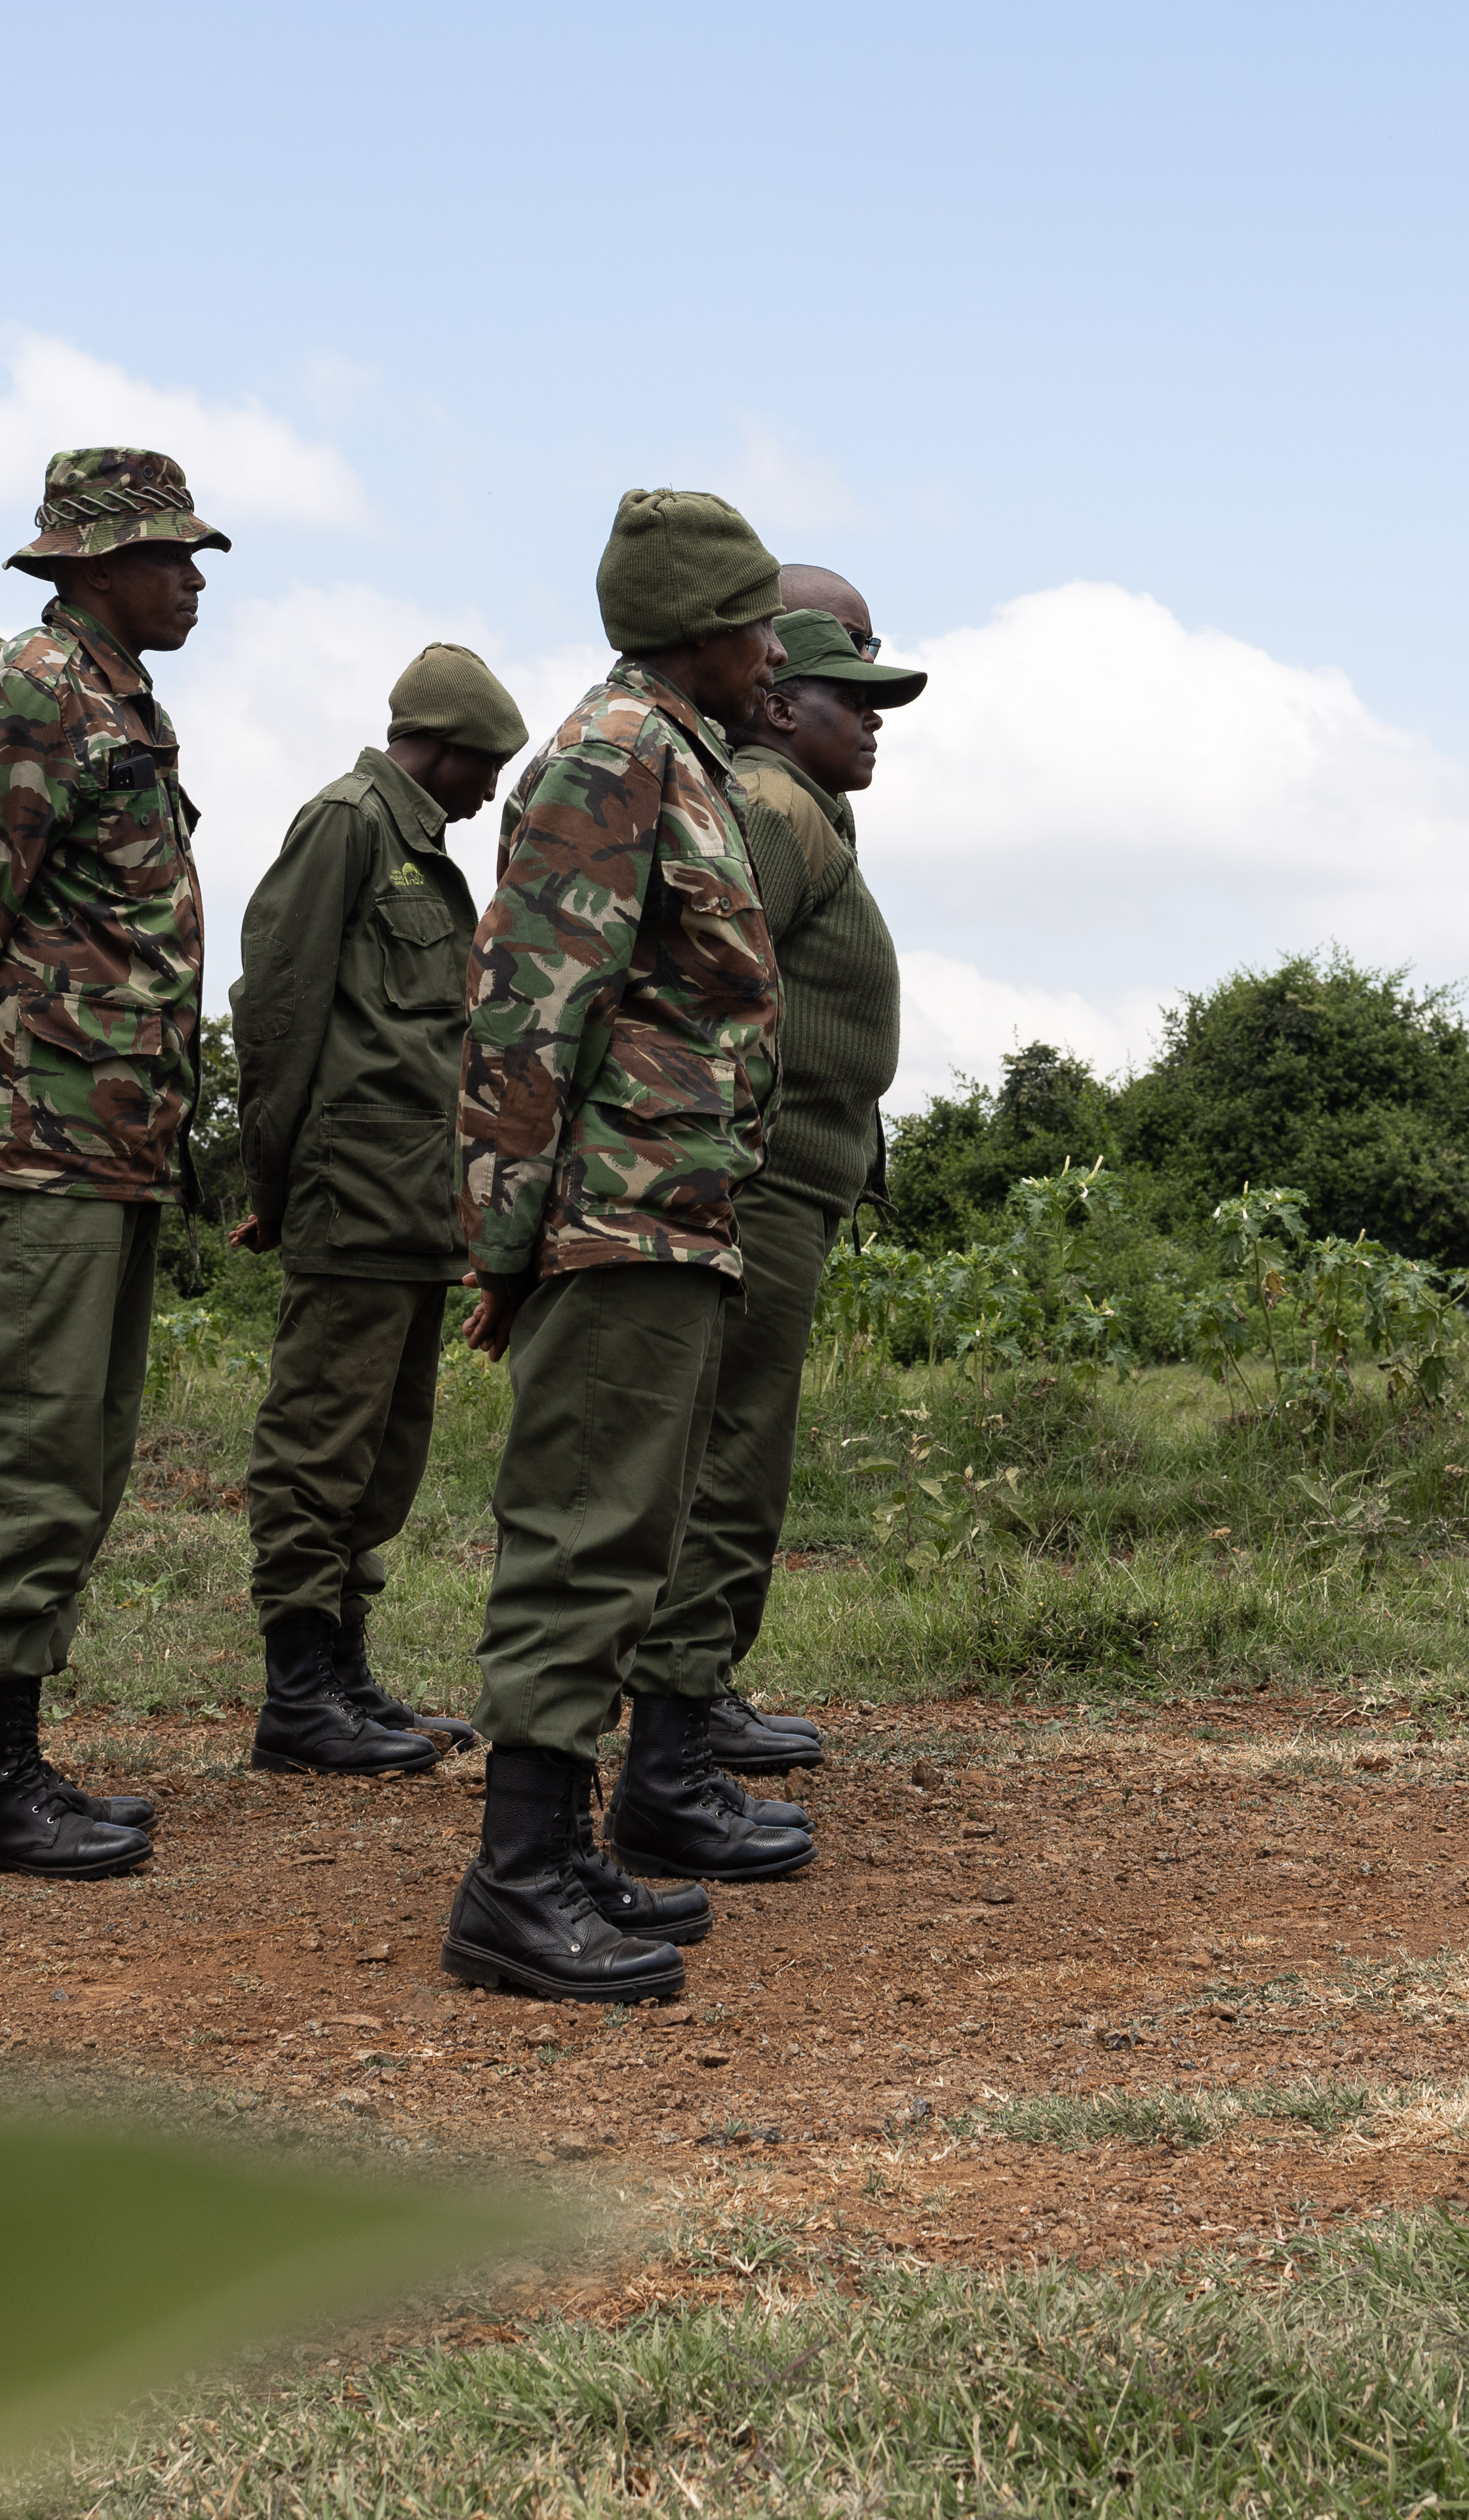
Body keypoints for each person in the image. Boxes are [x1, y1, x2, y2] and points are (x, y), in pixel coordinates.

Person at [439, 488, 799, 2006]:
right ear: (707, 629)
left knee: (628, 1535)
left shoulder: (678, 756)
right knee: (582, 1536)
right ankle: (512, 1882)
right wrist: (508, 1244)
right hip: (613, 1212)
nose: (777, 646)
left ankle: (563, 1846)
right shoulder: (612, 756)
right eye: (762, 619)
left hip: (670, 1210)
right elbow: (531, 1009)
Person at [0, 447, 218, 1881]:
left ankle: (12, 1752)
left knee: (77, 1449)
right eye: (173, 556)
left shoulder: (117, 696)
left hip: (103, 1145)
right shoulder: (32, 687)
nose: (194, 580)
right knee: (18, 1447)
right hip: (27, 1142)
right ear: (95, 563)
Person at [623, 602, 922, 1772]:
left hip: (787, 1178)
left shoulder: (806, 808)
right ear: (781, 701)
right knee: (730, 1451)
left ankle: (696, 1692)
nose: (876, 723)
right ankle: (677, 1710)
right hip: (758, 1178)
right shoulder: (773, 808)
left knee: (741, 1443)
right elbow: (701, 991)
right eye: (855, 700)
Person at [225, 642, 532, 1777]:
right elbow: (280, 1006)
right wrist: (274, 1182)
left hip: (416, 1204)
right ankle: (296, 1691)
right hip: (350, 1190)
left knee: (385, 1453)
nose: (491, 787)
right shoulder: (350, 823)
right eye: (484, 765)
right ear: (439, 748)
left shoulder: (423, 850)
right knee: (321, 1441)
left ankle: (345, 1672)